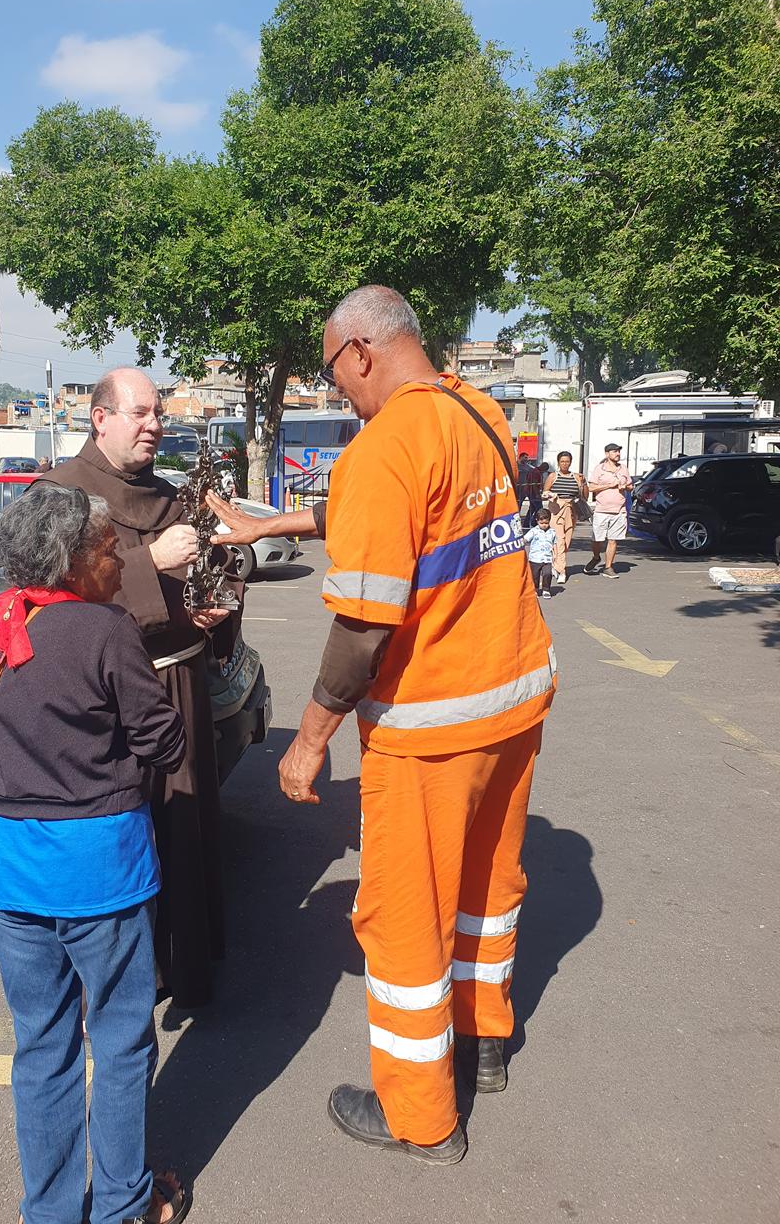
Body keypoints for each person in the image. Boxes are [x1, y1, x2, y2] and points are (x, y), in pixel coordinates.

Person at [237, 286, 556, 1163]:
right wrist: (269, 524)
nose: (335, 389)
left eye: (332, 371)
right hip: (513, 703)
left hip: (430, 729)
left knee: (406, 919)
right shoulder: (476, 411)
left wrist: (308, 742)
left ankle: (421, 1116)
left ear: (361, 352)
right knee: (487, 889)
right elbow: (396, 512)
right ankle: (484, 1042)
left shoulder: (385, 447)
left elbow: (363, 628)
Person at [0, 482, 190, 1224]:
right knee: (120, 1042)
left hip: (11, 874)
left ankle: (48, 1211)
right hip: (101, 875)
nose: (118, 562)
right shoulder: (107, 632)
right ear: (71, 560)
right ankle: (122, 1205)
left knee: (41, 1049)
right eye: (108, 550)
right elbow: (165, 746)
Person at [43, 368, 231, 1008]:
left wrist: (215, 600)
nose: (155, 425)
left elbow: (208, 570)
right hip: (105, 698)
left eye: (159, 415)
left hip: (180, 680)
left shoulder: (168, 494)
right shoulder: (60, 495)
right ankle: (123, 980)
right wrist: (150, 561)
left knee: (182, 830)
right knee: (121, 837)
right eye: (141, 414)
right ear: (100, 419)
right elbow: (53, 597)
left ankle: (183, 967)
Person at [585, 442, 632, 579]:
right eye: (614, 451)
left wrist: (625, 486)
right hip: (602, 510)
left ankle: (608, 567)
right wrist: (609, 485)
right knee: (597, 539)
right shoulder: (599, 469)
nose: (617, 454)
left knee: (613, 540)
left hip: (619, 511)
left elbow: (631, 486)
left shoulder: (623, 469)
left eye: (618, 451)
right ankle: (596, 557)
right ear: (607, 454)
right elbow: (591, 488)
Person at [542, 450, 588, 583]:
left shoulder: (576, 477)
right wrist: (550, 495)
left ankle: (555, 563)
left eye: (567, 461)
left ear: (570, 462)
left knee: (566, 541)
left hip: (571, 510)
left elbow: (584, 496)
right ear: (558, 462)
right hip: (556, 510)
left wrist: (584, 483)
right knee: (559, 540)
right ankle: (561, 570)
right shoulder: (553, 476)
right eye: (562, 461)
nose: (564, 464)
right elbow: (544, 492)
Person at [524, 508, 556, 597]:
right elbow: (526, 539)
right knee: (535, 575)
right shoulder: (534, 531)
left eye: (546, 523)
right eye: (541, 523)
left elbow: (555, 544)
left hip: (547, 558)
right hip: (535, 558)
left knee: (547, 574)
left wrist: (555, 555)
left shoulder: (552, 532)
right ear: (537, 521)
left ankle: (546, 589)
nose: (544, 525)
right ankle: (535, 589)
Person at [516, 451, 542, 525]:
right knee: (518, 505)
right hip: (518, 488)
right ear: (520, 457)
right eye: (525, 457)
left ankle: (527, 522)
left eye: (527, 458)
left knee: (533, 505)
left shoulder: (529, 467)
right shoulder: (515, 466)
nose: (526, 459)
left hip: (527, 489)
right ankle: (517, 520)